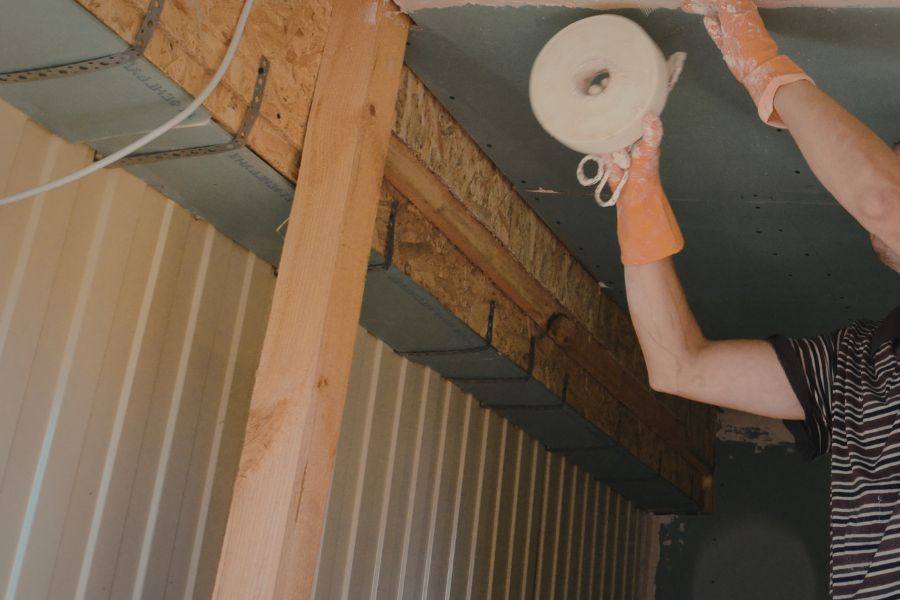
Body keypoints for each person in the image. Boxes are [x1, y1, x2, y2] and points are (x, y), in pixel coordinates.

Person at [605, 0, 900, 597]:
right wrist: (638, 211)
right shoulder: (854, 364)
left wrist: (760, 62)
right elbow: (678, 366)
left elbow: (883, 202)